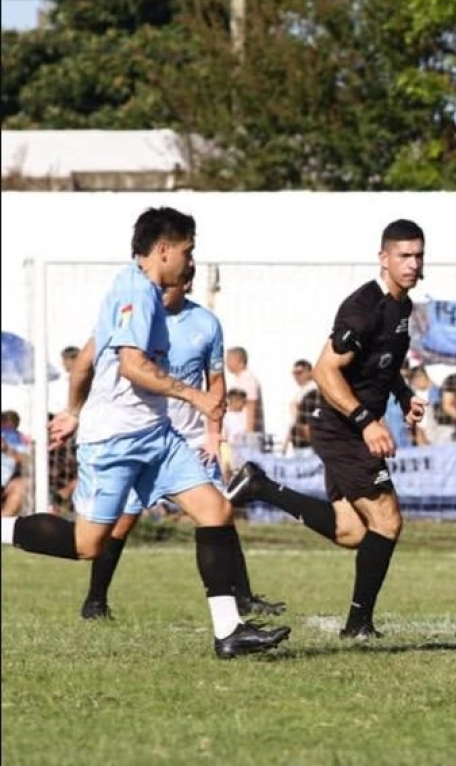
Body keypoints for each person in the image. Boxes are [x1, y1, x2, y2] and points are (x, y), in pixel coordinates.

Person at [0, 207, 290, 659]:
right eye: (187, 251)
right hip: (115, 440)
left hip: (156, 436)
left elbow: (85, 362)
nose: (189, 261)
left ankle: (229, 632)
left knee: (214, 510)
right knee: (87, 544)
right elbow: (134, 368)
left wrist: (73, 410)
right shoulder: (135, 291)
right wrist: (194, 397)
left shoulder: (143, 291)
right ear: (163, 250)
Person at [226, 219, 428, 639]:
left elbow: (382, 367)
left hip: (351, 429)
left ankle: (261, 487)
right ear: (384, 258)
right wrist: (366, 421)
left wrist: (404, 396)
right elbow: (324, 370)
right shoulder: (363, 308)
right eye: (404, 256)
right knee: (387, 521)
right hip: (342, 430)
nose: (412, 263)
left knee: (353, 531)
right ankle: (358, 626)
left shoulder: (403, 307)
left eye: (418, 255)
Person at [49, 271, 285, 621]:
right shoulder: (135, 314)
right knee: (113, 526)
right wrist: (75, 410)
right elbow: (88, 365)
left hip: (188, 441)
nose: (182, 283)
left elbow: (215, 381)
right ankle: (95, 599)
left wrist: (212, 433)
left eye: (188, 276)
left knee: (217, 512)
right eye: (179, 274)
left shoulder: (205, 324)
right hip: (137, 437)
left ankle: (240, 603)